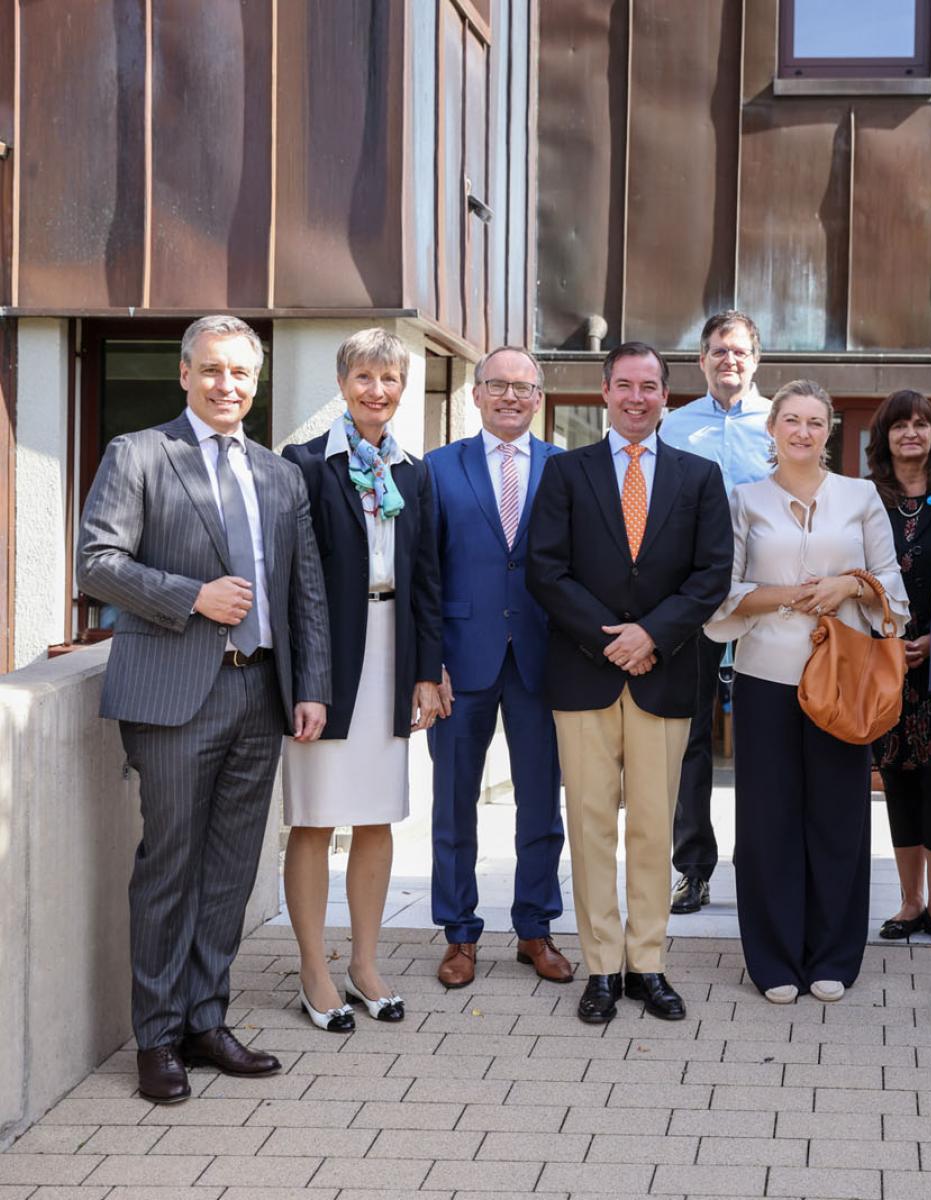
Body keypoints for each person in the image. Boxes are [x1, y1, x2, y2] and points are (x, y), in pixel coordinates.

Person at [78, 315, 332, 1103]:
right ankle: (155, 1038)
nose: (228, 387)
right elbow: (98, 563)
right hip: (173, 695)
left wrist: (311, 685)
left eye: (242, 375)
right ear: (184, 374)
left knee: (228, 869)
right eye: (213, 371)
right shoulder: (140, 455)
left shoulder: (279, 474)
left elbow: (306, 591)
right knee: (170, 866)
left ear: (257, 384)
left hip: (260, 692)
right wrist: (192, 597)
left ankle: (204, 1019)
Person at [527, 341, 733, 1024]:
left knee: (653, 828)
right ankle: (602, 969)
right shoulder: (565, 472)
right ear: (605, 394)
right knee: (589, 828)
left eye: (649, 386)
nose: (637, 397)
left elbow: (711, 574)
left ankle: (648, 964)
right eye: (624, 385)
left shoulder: (699, 477)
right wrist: (612, 640)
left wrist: (653, 635)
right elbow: (546, 570)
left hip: (667, 674)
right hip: (584, 675)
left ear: (665, 397)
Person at [706, 381, 908, 1003]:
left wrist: (847, 586)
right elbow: (725, 594)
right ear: (771, 429)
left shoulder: (861, 495)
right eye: (790, 420)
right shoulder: (744, 500)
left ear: (829, 431)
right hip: (766, 677)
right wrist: (794, 595)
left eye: (815, 422)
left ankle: (833, 956)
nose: (802, 432)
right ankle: (772, 959)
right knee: (766, 823)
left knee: (839, 820)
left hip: (843, 679)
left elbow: (891, 589)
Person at [280, 329, 444, 1031]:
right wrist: (305, 679)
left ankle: (365, 963)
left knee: (378, 816)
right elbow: (294, 580)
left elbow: (427, 579)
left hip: (391, 652)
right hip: (328, 658)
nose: (378, 391)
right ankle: (314, 969)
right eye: (366, 377)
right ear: (342, 380)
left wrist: (427, 673)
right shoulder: (306, 463)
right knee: (315, 818)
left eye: (391, 380)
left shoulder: (414, 470)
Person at [426, 347, 571, 991]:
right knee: (454, 806)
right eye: (498, 385)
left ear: (538, 397)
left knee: (541, 805)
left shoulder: (566, 470)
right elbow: (422, 575)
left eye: (523, 386)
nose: (511, 396)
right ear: (476, 394)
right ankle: (459, 934)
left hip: (544, 660)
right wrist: (427, 664)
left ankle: (535, 928)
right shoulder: (436, 469)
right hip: (461, 661)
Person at [657, 311, 773, 915]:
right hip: (693, 599)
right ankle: (693, 869)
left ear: (756, 360)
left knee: (764, 734)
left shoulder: (781, 424)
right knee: (691, 738)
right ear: (700, 360)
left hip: (765, 601)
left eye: (740, 351)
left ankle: (761, 866)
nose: (729, 360)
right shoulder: (672, 428)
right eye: (718, 351)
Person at [863, 390, 931, 945]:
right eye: (900, 425)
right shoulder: (863, 497)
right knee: (899, 779)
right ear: (884, 436)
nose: (911, 433)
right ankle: (909, 902)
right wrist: (886, 641)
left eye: (922, 424)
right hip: (884, 663)